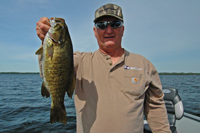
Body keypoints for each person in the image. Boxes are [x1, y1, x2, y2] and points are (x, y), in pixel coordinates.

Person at [36, 3, 171, 133]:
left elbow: (155, 107)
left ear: (122, 29)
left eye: (115, 24)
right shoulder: (80, 61)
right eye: (102, 25)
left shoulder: (144, 65)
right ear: (95, 32)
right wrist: (44, 40)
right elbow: (51, 69)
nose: (109, 30)